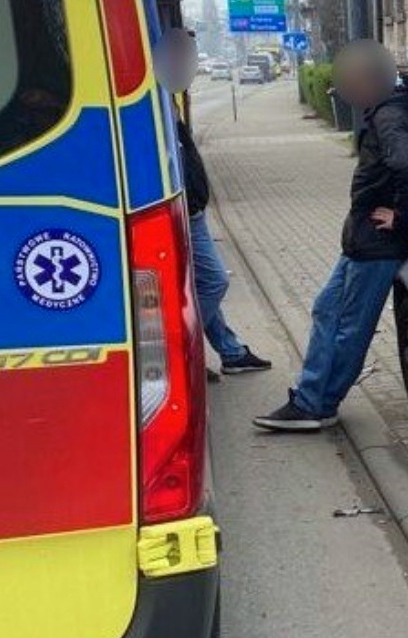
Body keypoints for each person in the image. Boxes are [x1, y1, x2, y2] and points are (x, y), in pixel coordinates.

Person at [254, 41, 408, 431]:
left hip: (377, 244)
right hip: (363, 238)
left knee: (351, 325)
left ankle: (316, 404)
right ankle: (312, 397)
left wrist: (401, 217)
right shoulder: (388, 110)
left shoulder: (389, 118)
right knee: (326, 309)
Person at [156, 28, 272, 377]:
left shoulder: (169, 96)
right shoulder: (149, 100)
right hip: (185, 210)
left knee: (200, 283)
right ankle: (181, 354)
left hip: (192, 207)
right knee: (215, 281)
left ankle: (231, 352)